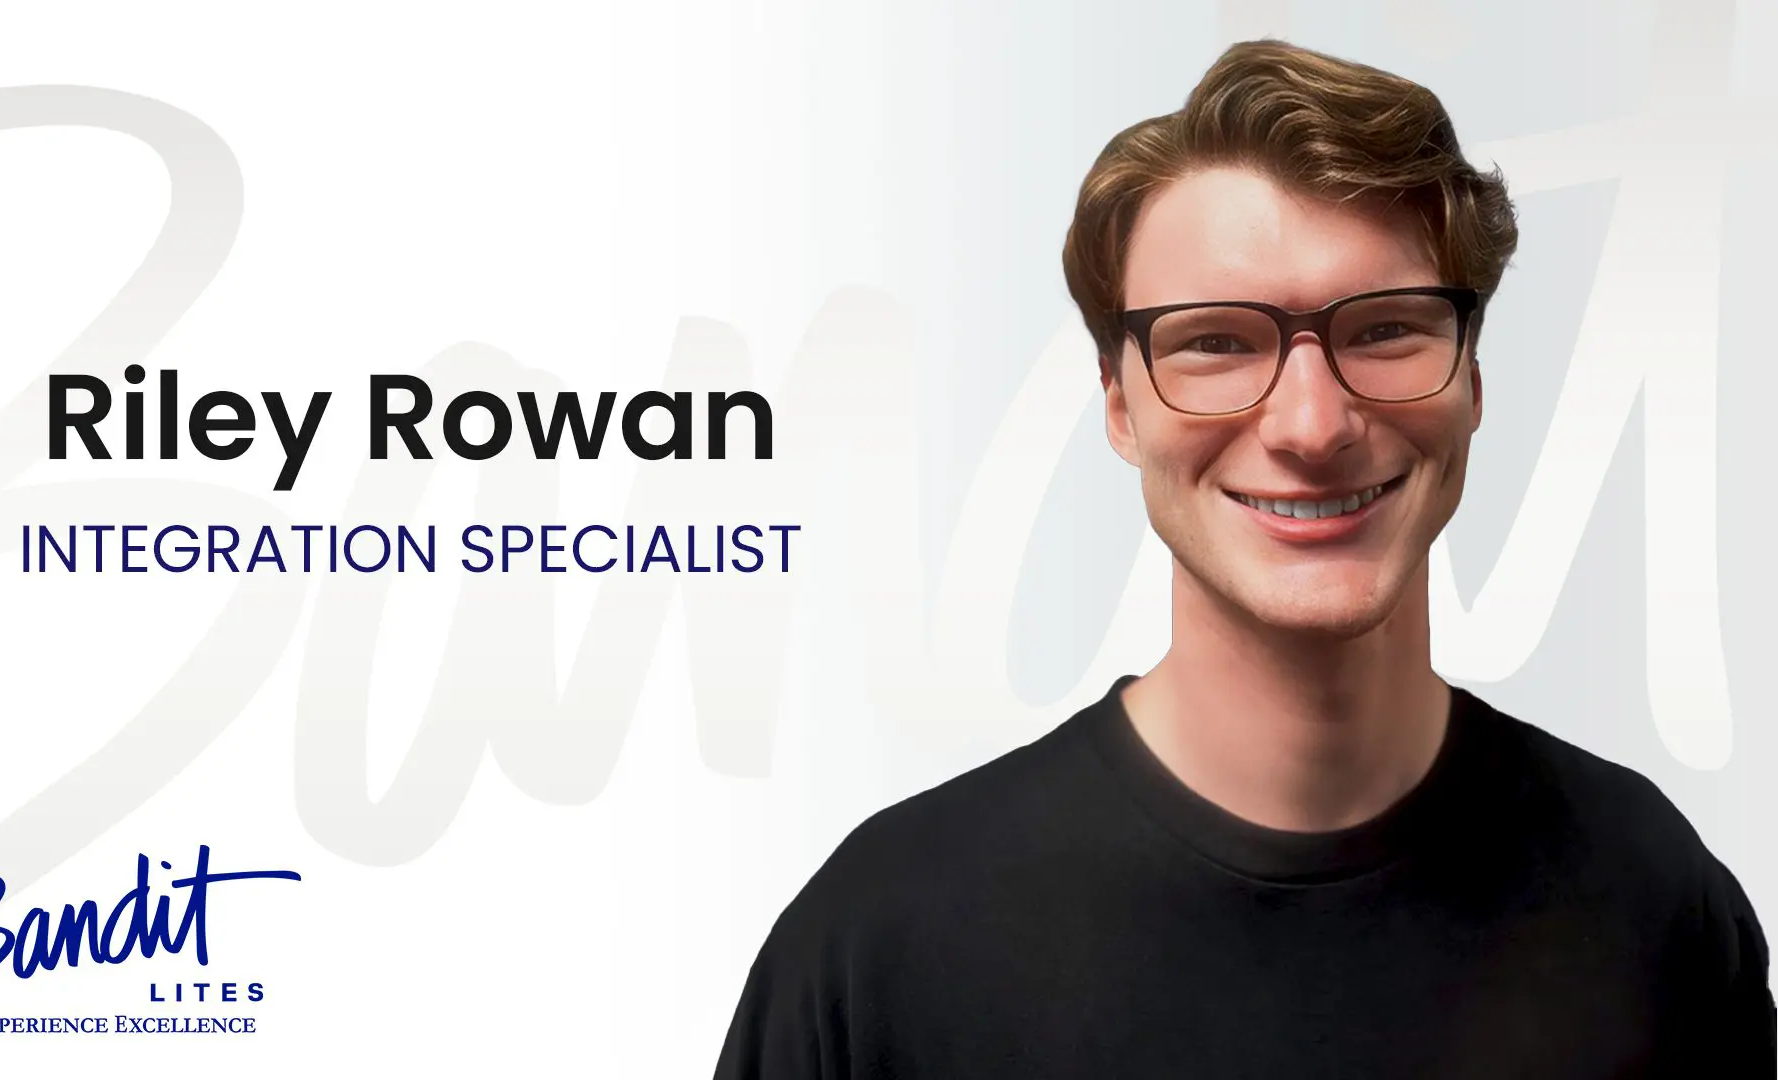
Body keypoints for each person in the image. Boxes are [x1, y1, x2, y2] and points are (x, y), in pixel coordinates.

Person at [712, 39, 1775, 1078]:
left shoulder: (1654, 900)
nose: (1312, 425)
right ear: (1121, 407)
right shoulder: (879, 945)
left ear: (1474, 385)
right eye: (1217, 342)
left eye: (1386, 331)